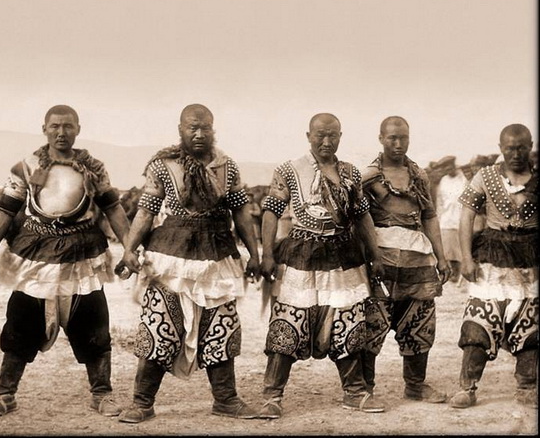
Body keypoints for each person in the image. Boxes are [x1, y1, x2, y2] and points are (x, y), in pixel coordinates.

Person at [0, 104, 130, 418]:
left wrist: (130, 249)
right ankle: (5, 394)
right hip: (35, 255)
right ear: (45, 129)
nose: (61, 132)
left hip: (83, 253)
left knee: (93, 322)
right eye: (55, 126)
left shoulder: (93, 167)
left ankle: (102, 394)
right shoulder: (26, 166)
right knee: (21, 320)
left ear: (78, 129)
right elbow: (6, 210)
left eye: (68, 126)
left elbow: (113, 209)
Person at [117, 103, 261, 423]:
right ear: (180, 130)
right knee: (159, 326)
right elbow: (146, 211)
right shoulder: (162, 165)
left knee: (221, 329)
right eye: (192, 128)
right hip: (169, 257)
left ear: (213, 130)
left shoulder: (227, 166)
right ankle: (142, 402)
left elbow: (241, 212)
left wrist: (254, 254)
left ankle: (226, 399)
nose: (199, 134)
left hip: (217, 256)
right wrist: (129, 250)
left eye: (205, 128)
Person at [257, 112, 386, 418]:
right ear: (308, 136)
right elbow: (271, 212)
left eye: (333, 135)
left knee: (348, 321)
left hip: (344, 257)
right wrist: (267, 255)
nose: (326, 141)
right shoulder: (289, 170)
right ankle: (272, 396)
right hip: (301, 256)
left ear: (340, 137)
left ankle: (355, 392)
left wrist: (375, 255)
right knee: (288, 322)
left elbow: (362, 216)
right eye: (320, 135)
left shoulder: (351, 173)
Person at [360, 116, 451, 404]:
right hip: (381, 258)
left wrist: (441, 257)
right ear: (381, 139)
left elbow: (429, 216)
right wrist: (367, 256)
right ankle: (364, 388)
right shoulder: (368, 177)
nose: (399, 144)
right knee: (373, 322)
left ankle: (415, 385)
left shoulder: (419, 175)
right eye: (392, 138)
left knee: (420, 321)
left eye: (404, 138)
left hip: (417, 258)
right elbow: (358, 219)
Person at [450, 123, 537, 409]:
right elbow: (466, 216)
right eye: (510, 148)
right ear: (501, 148)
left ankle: (527, 387)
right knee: (479, 323)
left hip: (531, 262)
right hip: (491, 260)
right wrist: (466, 258)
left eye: (522, 148)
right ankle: (467, 387)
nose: (516, 154)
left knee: (531, 327)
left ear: (530, 147)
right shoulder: (485, 177)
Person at [433, 156, 466, 284]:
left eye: (449, 166)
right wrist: (439, 218)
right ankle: (453, 273)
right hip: (446, 220)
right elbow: (440, 202)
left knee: (460, 249)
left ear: (453, 165)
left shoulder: (463, 178)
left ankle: (462, 275)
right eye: (445, 167)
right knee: (448, 249)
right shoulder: (444, 181)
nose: (448, 169)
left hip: (460, 219)